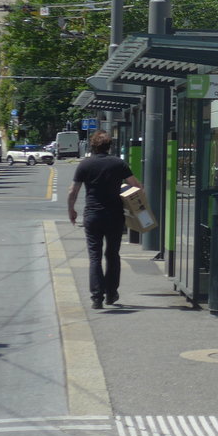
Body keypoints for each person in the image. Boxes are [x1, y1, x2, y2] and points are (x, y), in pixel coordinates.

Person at [67, 130, 142, 310]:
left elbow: (73, 191)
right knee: (112, 254)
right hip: (115, 215)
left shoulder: (85, 165)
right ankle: (111, 293)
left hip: (92, 215)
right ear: (109, 146)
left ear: (92, 146)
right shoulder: (118, 164)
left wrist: (71, 210)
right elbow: (137, 187)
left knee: (95, 256)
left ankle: (96, 297)